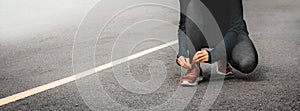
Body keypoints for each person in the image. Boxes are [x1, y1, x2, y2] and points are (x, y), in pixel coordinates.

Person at [177, 0, 258, 86]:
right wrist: (182, 53)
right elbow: (183, 25)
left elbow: (236, 26)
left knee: (248, 63)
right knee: (193, 5)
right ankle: (194, 68)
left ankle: (224, 55)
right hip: (202, 31)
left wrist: (214, 54)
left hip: (229, 32)